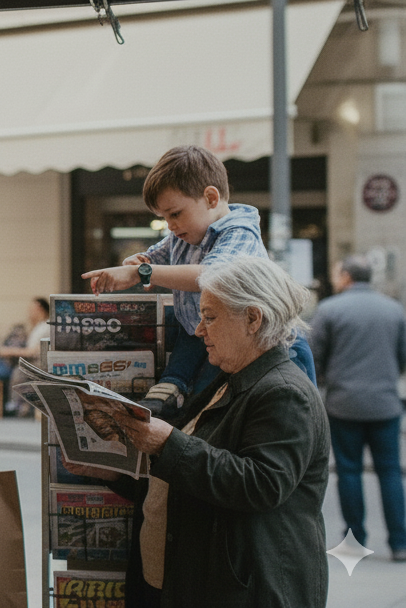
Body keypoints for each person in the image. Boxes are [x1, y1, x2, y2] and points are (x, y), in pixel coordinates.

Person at [67, 257, 328, 607]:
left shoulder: (284, 392)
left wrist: (167, 442)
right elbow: (187, 478)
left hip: (244, 588)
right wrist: (112, 472)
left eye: (210, 317)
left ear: (253, 319)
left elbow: (261, 485)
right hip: (185, 579)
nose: (199, 330)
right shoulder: (230, 379)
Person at [81, 145, 315, 416]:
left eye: (175, 214)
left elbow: (210, 275)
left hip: (271, 348)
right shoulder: (182, 235)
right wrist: (137, 263)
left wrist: (141, 273)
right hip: (206, 337)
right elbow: (152, 258)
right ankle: (172, 387)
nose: (170, 225)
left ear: (211, 198)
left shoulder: (240, 232)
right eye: (164, 217)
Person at [311, 255, 406, 561]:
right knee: (390, 471)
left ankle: (355, 540)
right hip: (385, 404)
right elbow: (402, 356)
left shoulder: (329, 309)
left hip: (343, 404)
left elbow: (316, 356)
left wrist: (324, 382)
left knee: (349, 471)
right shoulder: (394, 310)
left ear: (347, 276)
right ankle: (400, 542)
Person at [0, 297, 50, 415]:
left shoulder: (45, 327)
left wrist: (9, 351)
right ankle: (18, 406)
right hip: (34, 362)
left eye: (31, 309)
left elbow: (32, 352)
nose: (29, 312)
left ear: (40, 309)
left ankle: (16, 406)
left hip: (39, 364)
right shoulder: (37, 327)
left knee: (19, 371)